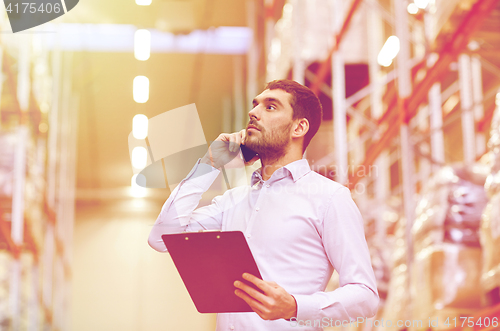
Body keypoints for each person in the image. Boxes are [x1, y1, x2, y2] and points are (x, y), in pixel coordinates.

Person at [148, 79, 379, 330]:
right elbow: (161, 238)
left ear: (299, 127)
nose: (253, 112)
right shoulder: (232, 201)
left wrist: (295, 306)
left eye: (270, 107)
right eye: (255, 105)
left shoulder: (329, 198)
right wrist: (209, 164)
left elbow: (365, 296)